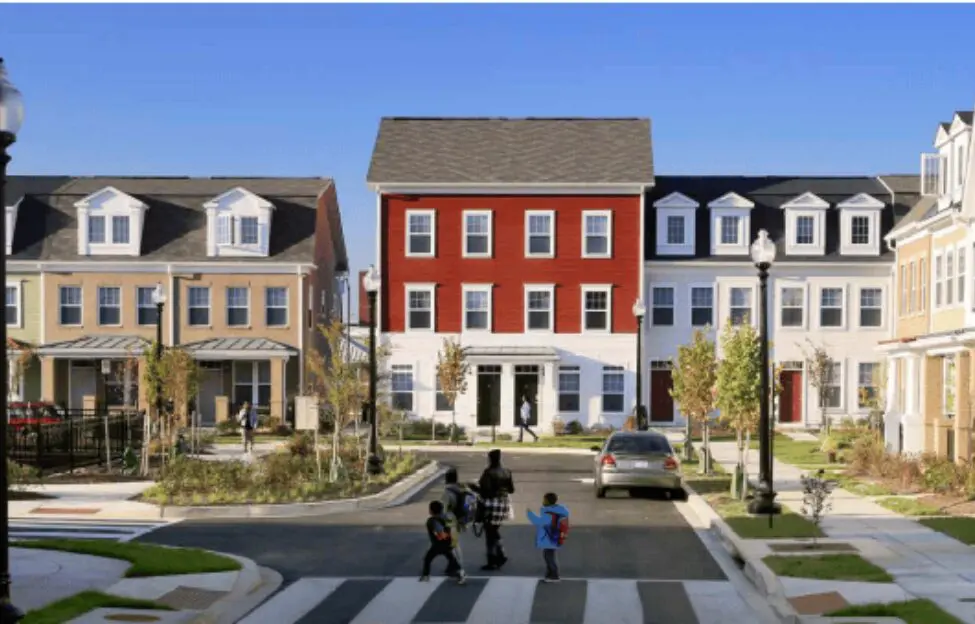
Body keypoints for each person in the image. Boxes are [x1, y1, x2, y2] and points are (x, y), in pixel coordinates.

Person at [477, 449, 515, 570]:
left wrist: (474, 488)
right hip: (504, 503)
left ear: (490, 459)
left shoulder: (488, 472)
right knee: (494, 530)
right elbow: (511, 490)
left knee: (490, 533)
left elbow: (485, 491)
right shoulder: (507, 472)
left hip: (491, 504)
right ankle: (500, 555)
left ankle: (493, 559)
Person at [527, 492, 570, 583]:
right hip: (555, 537)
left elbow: (539, 522)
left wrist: (529, 514)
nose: (542, 501)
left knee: (549, 556)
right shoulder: (559, 511)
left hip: (549, 538)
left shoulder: (549, 512)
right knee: (549, 555)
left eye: (544, 499)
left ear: (548, 501)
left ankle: (554, 575)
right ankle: (549, 574)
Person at [441, 468, 476, 578]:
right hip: (461, 520)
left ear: (446, 479)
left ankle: (459, 568)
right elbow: (471, 501)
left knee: (453, 545)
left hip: (451, 521)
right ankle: (452, 566)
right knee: (451, 544)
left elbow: (444, 510)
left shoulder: (447, 492)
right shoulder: (462, 489)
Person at [420, 500, 466, 584]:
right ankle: (459, 573)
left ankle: (425, 576)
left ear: (431, 511)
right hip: (450, 543)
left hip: (439, 544)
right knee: (451, 559)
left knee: (427, 558)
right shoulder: (446, 517)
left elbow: (439, 531)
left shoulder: (432, 520)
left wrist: (440, 537)